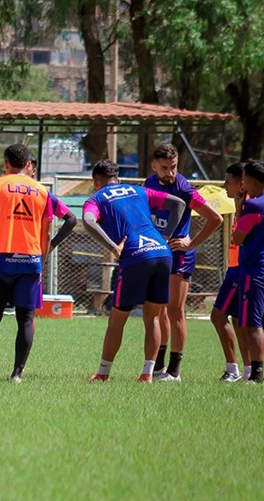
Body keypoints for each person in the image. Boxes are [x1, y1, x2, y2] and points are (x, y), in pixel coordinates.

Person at [82, 160, 185, 383]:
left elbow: (88, 220)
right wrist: (165, 237)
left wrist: (112, 246)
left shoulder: (96, 198)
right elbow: (178, 204)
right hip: (162, 252)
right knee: (153, 318)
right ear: (117, 178)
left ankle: (103, 373)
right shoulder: (139, 190)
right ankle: (147, 373)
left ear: (96, 181)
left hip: (136, 256)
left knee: (117, 319)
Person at [144, 143, 222, 381]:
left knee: (175, 311)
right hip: (158, 252)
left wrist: (192, 243)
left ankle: (174, 371)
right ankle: (158, 368)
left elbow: (215, 218)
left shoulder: (184, 187)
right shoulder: (148, 184)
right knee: (159, 311)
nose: (170, 172)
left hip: (180, 254)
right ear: (154, 166)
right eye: (165, 167)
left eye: (174, 166)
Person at [0, 144, 52, 383]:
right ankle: (17, 374)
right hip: (30, 261)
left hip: (2, 261)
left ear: (6, 164)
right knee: (26, 319)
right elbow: (47, 233)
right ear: (29, 165)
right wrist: (41, 262)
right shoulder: (43, 191)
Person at [0, 155, 76, 253]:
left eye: (25, 168)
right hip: (14, 254)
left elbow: (71, 219)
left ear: (33, 171)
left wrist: (51, 246)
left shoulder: (42, 194)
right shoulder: (6, 192)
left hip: (26, 254)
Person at [210, 163, 250, 381]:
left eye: (228, 181)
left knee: (217, 315)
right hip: (234, 270)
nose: (225, 185)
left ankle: (237, 369)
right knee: (237, 320)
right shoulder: (240, 204)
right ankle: (246, 370)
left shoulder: (252, 205)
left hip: (241, 271)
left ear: (241, 183)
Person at [231, 160, 264, 383]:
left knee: (252, 324)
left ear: (253, 181)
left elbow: (238, 237)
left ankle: (255, 374)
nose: (243, 185)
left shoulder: (255, 205)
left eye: (244, 181)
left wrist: (239, 209)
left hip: (254, 270)